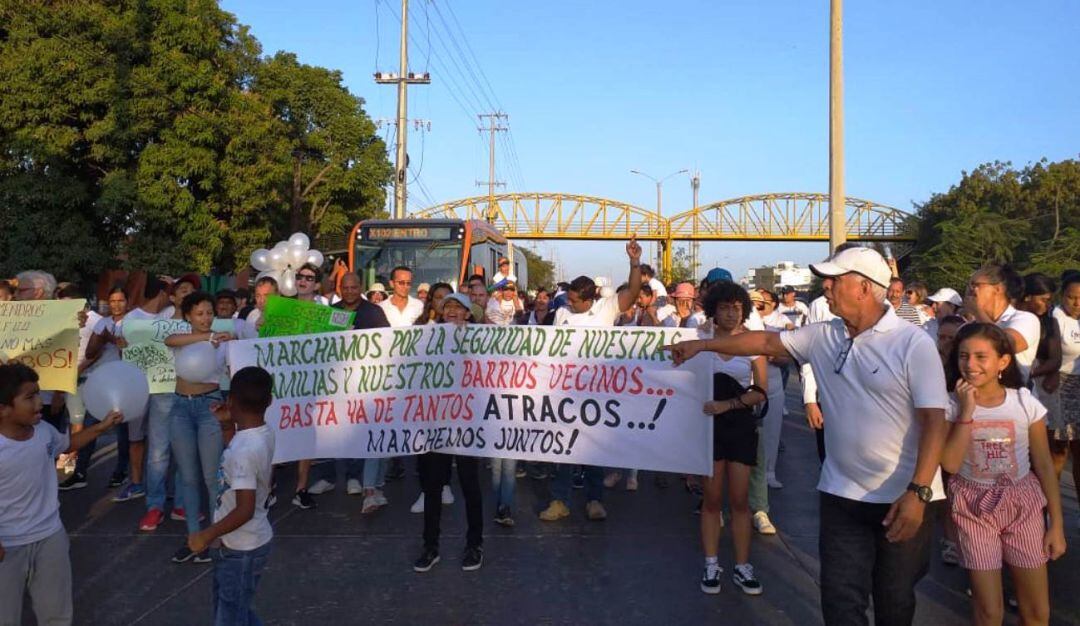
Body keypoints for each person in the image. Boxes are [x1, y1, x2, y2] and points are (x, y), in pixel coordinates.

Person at [666, 246, 949, 626]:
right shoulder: (824, 335)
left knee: (893, 601)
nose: (825, 288)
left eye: (834, 280)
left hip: (903, 498)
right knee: (840, 600)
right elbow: (764, 344)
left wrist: (918, 492)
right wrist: (702, 345)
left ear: (865, 288)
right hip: (840, 494)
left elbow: (934, 422)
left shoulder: (913, 343)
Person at [940, 323, 1065, 626]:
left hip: (1023, 505)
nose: (970, 364)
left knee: (1036, 612)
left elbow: (1043, 464)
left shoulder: (1023, 403)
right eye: (964, 356)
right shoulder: (951, 405)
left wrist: (1057, 525)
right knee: (989, 612)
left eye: (981, 357)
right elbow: (950, 464)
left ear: (1003, 362)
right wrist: (967, 412)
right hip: (973, 509)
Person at [0, 363, 123, 626]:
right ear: (3, 409)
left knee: (56, 614)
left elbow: (67, 445)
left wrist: (101, 427)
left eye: (38, 394)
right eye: (30, 397)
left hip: (50, 537)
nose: (39, 403)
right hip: (7, 545)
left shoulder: (44, 431)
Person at [540, 237, 643, 523]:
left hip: (597, 392)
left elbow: (634, 291)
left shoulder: (607, 308)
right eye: (569, 298)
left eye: (574, 300)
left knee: (593, 447)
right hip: (564, 390)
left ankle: (594, 499)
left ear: (589, 300)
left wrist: (634, 262)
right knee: (562, 448)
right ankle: (559, 500)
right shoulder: (562, 312)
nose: (569, 303)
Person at [688, 282, 768, 596]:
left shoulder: (753, 342)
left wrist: (729, 405)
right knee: (711, 499)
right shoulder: (699, 338)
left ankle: (742, 566)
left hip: (739, 426)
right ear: (713, 310)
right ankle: (711, 563)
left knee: (739, 500)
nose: (731, 313)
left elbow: (760, 391)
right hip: (707, 426)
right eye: (724, 307)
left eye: (737, 307)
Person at [188, 366, 275, 626]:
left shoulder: (245, 450)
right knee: (237, 611)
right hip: (243, 543)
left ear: (231, 400)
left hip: (241, 548)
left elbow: (244, 509)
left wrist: (206, 535)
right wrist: (227, 426)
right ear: (269, 401)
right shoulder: (262, 433)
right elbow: (237, 463)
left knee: (229, 617)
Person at [413, 293, 485, 573]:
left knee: (470, 486)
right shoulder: (428, 338)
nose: (452, 310)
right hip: (437, 423)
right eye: (448, 307)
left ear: (468, 314)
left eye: (458, 307)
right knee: (433, 487)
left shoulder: (480, 339)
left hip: (467, 425)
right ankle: (430, 546)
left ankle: (475, 544)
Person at [306, 273, 391, 509]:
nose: (350, 291)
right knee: (328, 428)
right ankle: (327, 477)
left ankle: (355, 476)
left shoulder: (374, 312)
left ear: (360, 288)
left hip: (363, 383)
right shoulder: (331, 312)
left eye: (354, 287)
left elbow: (388, 341)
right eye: (346, 287)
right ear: (340, 288)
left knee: (356, 428)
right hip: (334, 381)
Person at [164, 291, 233, 563]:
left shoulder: (222, 342)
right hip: (180, 408)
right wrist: (206, 337)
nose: (206, 319)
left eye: (209, 313)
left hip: (209, 408)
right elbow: (170, 340)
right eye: (200, 314)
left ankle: (216, 536)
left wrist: (227, 341)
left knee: (211, 477)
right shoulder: (184, 339)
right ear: (188, 316)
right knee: (188, 477)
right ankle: (194, 537)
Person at [61, 286, 129, 491]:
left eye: (121, 300)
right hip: (100, 382)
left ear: (128, 302)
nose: (116, 305)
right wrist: (105, 336)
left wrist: (114, 339)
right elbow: (92, 351)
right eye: (113, 301)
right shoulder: (101, 322)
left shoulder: (133, 322)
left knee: (123, 429)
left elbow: (126, 349)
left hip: (123, 382)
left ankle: (121, 471)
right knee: (91, 426)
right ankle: (80, 472)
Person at [965, 264, 1041, 382]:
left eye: (975, 285)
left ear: (998, 289)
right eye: (969, 286)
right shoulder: (968, 326)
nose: (970, 291)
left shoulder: (1025, 319)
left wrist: (977, 311)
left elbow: (1007, 345)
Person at [1049, 271, 1080, 523]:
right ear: (1062, 296)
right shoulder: (1055, 319)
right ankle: (1051, 512)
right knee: (1058, 452)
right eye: (1071, 297)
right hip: (1059, 384)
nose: (1077, 303)